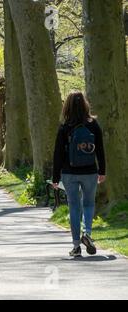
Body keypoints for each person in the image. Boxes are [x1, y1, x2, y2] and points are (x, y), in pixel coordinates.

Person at [52, 91, 106, 258]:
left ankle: (76, 247)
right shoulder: (93, 124)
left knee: (74, 207)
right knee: (89, 204)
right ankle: (87, 233)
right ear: (85, 105)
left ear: (67, 106)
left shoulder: (64, 127)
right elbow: (100, 150)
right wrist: (102, 170)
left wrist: (55, 177)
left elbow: (58, 153)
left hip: (69, 173)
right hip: (90, 171)